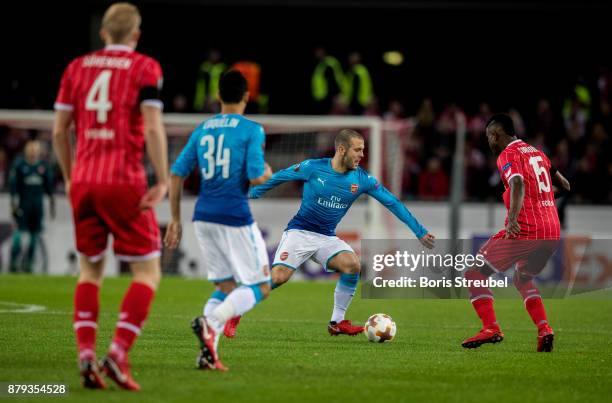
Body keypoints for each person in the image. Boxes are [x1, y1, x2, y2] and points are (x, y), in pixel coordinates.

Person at [52, 2, 168, 390]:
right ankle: (117, 354)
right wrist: (163, 180)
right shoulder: (145, 67)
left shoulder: (75, 68)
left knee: (89, 271)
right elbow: (152, 127)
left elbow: (58, 131)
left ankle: (86, 355)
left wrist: (70, 178)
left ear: (103, 33)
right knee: (147, 273)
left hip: (84, 179)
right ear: (135, 35)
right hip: (124, 181)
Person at [249, 129, 435, 336]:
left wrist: (419, 231)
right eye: (357, 150)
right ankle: (236, 311)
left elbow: (392, 202)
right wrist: (253, 193)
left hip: (326, 237)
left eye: (363, 150)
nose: (362, 155)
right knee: (279, 277)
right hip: (299, 232)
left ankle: (337, 322)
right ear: (341, 149)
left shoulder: (362, 179)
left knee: (352, 265)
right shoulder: (313, 167)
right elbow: (280, 177)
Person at [164, 70, 273, 371]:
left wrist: (175, 219)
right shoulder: (252, 129)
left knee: (226, 286)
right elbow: (255, 176)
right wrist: (267, 173)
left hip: (203, 217)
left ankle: (207, 354)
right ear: (247, 96)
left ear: (218, 96)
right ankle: (210, 323)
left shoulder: (202, 129)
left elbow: (176, 173)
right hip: (234, 216)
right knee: (261, 286)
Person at [462, 114, 570, 352]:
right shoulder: (537, 153)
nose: (489, 143)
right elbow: (565, 186)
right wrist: (543, 200)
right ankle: (544, 330)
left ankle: (491, 328)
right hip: (552, 231)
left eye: (488, 137)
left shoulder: (507, 155)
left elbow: (518, 182)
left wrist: (512, 220)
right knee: (522, 278)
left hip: (526, 229)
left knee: (473, 273)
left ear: (495, 135)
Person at [8, 139, 55, 273]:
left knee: (35, 235)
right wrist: (13, 204)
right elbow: (13, 187)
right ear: (26, 151)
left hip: (37, 207)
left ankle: (29, 263)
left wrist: (52, 205)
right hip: (23, 206)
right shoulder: (20, 166)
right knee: (18, 235)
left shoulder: (43, 167)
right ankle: (13, 261)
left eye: (36, 150)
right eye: (31, 149)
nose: (34, 152)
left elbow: (49, 188)